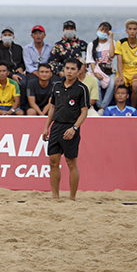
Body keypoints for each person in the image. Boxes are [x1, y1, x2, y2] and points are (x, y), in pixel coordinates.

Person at [42, 58, 90, 201]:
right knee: (53, 161)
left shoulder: (82, 89)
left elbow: (84, 112)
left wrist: (74, 128)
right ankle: (55, 196)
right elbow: (52, 107)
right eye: (67, 68)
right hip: (56, 126)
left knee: (71, 162)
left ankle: (72, 197)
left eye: (73, 69)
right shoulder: (56, 85)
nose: (69, 71)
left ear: (79, 71)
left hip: (70, 127)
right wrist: (46, 127)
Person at [114, 19, 137, 108]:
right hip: (124, 73)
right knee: (118, 83)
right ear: (126, 31)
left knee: (136, 85)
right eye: (130, 29)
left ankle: (133, 109)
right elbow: (119, 62)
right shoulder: (121, 43)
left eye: (134, 29)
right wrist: (121, 75)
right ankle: (118, 109)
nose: (132, 31)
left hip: (136, 73)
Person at [86, 22, 116, 111]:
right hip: (97, 70)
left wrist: (111, 38)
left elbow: (111, 55)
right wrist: (95, 72)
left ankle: (103, 107)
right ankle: (99, 106)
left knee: (112, 83)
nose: (102, 32)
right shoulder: (92, 44)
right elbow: (91, 60)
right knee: (96, 82)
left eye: (105, 31)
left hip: (109, 70)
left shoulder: (112, 42)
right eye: (101, 30)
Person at [0, 27, 27, 95]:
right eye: (5, 35)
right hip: (4, 73)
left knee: (23, 83)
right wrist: (11, 75)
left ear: (13, 37)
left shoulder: (18, 48)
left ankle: (23, 105)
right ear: (1, 37)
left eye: (9, 35)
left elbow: (23, 62)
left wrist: (21, 68)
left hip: (18, 72)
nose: (7, 37)